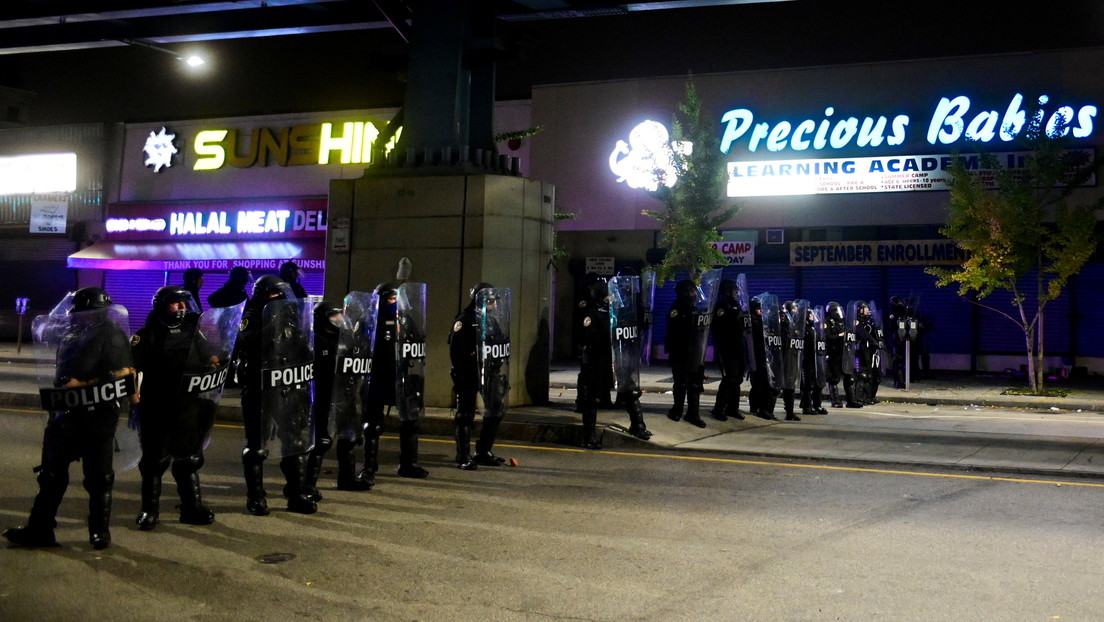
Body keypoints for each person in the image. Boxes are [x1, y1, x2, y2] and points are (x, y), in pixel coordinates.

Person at [4, 287, 135, 549]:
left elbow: (124, 373)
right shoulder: (73, 331)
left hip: (97, 416)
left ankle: (99, 532)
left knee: (99, 478)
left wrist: (84, 384)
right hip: (65, 415)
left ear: (92, 311)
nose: (73, 314)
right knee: (50, 475)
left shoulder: (111, 335)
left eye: (79, 310)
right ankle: (39, 530)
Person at [131, 286, 220, 530]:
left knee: (188, 459)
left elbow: (210, 356)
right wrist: (134, 398)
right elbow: (131, 369)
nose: (182, 307)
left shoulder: (192, 330)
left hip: (187, 405)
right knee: (154, 461)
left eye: (183, 302)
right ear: (162, 305)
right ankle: (149, 511)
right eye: (175, 302)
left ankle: (192, 508)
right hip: (157, 405)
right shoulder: (146, 334)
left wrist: (214, 365)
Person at [235, 275, 317, 515]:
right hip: (259, 389)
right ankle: (256, 497)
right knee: (256, 447)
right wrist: (274, 320)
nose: (279, 298)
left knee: (295, 442)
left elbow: (302, 347)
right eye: (273, 294)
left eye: (281, 294)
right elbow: (249, 341)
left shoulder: (291, 316)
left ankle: (296, 494)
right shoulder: (250, 316)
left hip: (286, 388)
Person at [363, 282, 429, 479]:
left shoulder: (406, 319)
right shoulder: (370, 321)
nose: (396, 304)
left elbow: (417, 342)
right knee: (373, 424)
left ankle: (408, 464)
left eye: (397, 299)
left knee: (410, 420)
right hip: (377, 377)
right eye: (392, 299)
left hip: (402, 377)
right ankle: (369, 467)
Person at [449, 282, 512, 468]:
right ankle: (463, 456)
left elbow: (500, 341)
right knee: (465, 416)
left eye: (495, 301)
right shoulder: (465, 320)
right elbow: (456, 351)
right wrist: (461, 374)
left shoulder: (491, 320)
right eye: (490, 301)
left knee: (495, 411)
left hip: (490, 373)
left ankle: (483, 451)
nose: (494, 304)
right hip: (469, 374)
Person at [665, 279, 707, 428]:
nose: (694, 294)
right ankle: (677, 410)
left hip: (695, 351)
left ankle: (693, 414)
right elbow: (675, 331)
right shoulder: (677, 308)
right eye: (691, 291)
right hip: (680, 351)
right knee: (681, 383)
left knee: (695, 383)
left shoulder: (696, 308)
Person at [710, 279, 746, 421]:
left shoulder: (737, 305)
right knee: (729, 377)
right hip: (727, 347)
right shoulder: (721, 306)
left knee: (737, 378)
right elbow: (720, 327)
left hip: (738, 346)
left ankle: (733, 408)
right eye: (734, 290)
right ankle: (719, 409)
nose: (736, 293)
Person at [825, 301, 862, 408]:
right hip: (834, 353)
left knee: (849, 377)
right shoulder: (828, 323)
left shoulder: (844, 323)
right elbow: (827, 337)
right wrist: (840, 335)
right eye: (837, 311)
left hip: (845, 352)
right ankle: (835, 401)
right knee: (834, 378)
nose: (839, 313)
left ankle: (851, 401)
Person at [799, 306, 829, 415]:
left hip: (817, 360)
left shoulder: (814, 329)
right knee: (808, 385)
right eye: (811, 315)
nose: (813, 316)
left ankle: (817, 405)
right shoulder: (803, 329)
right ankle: (807, 407)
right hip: (807, 360)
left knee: (818, 383)